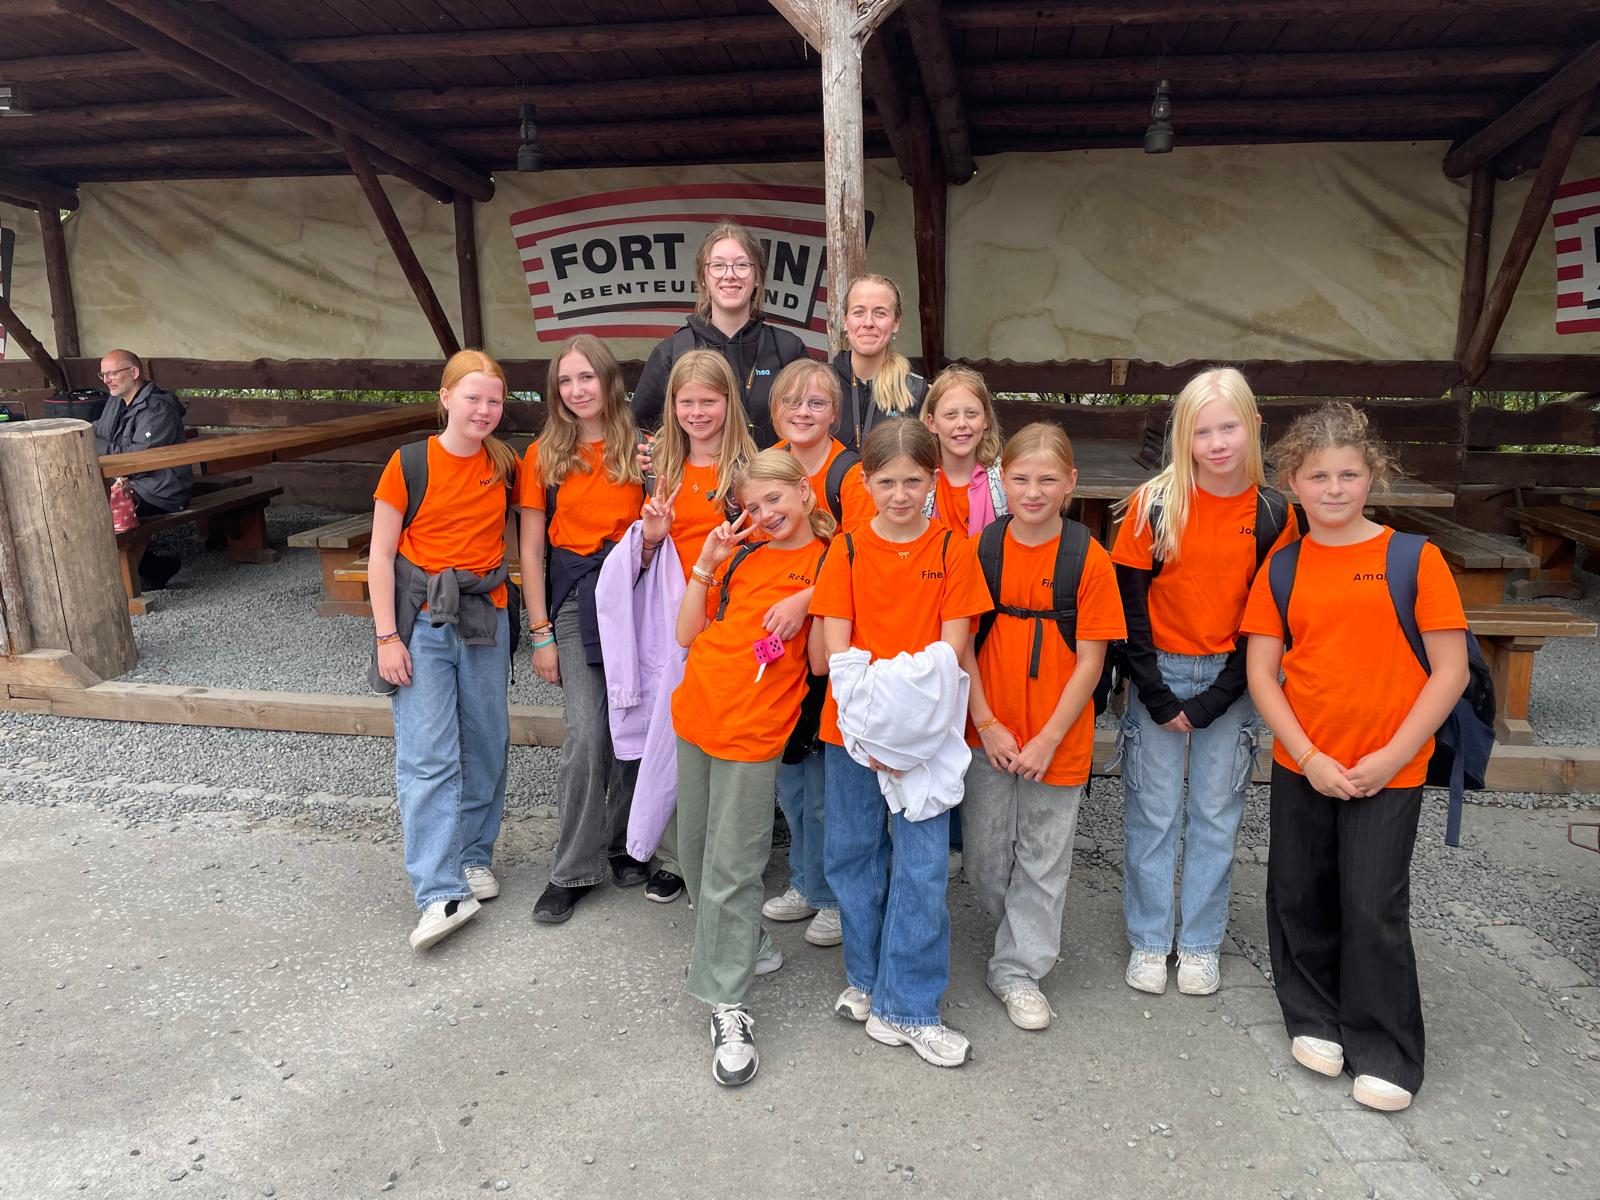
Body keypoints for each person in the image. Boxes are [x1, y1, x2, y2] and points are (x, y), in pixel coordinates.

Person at [1243, 402, 1468, 1114]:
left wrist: (1395, 755)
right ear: (1292, 483)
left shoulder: (1414, 560)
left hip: (1390, 767)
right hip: (1305, 762)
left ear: (1373, 477)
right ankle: (1313, 1015)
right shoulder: (1283, 567)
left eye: (1348, 474)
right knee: (1299, 891)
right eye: (1318, 476)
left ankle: (1386, 1046)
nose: (1334, 489)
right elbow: (1261, 673)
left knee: (1373, 903)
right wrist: (1306, 754)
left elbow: (1451, 671)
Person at [1111, 367, 1297, 998]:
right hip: (1158, 671)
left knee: (1216, 813)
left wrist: (1222, 693)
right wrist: (1154, 691)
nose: (1217, 444)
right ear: (1183, 436)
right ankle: (1149, 938)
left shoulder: (1273, 513)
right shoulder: (1154, 503)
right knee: (1154, 812)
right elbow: (1130, 606)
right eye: (1203, 431)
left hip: (1232, 676)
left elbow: (1268, 613)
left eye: (1229, 428)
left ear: (1254, 428)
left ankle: (1199, 942)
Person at [810, 419, 991, 1069]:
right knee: (852, 855)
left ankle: (909, 1007)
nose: (900, 494)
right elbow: (837, 654)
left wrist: (906, 734)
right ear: (865, 482)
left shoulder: (953, 551)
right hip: (853, 734)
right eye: (886, 482)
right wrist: (874, 733)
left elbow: (952, 653)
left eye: (913, 481)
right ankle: (867, 978)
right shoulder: (847, 550)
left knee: (921, 867)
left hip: (925, 738)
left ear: (933, 480)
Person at [673, 450, 834, 1085]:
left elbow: (821, 661)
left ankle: (728, 1001)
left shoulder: (833, 558)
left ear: (806, 492)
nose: (764, 514)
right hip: (698, 711)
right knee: (693, 855)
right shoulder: (741, 554)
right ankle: (750, 945)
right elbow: (687, 633)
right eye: (752, 505)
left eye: (776, 499)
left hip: (755, 728)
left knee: (733, 868)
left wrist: (810, 599)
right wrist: (706, 564)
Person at [959, 424, 1125, 1031]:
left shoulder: (1089, 558)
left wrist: (1049, 738)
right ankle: (1016, 928)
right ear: (1002, 480)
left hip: (1059, 737)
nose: (1034, 491)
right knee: (982, 854)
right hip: (990, 731)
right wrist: (987, 723)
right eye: (1021, 478)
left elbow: (1091, 662)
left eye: (1048, 479)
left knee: (1044, 857)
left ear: (1070, 483)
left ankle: (1019, 968)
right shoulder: (982, 550)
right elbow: (962, 645)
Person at [370, 350, 520, 951]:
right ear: (446, 397)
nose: (483, 410)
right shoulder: (409, 463)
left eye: (494, 400)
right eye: (473, 397)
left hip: (486, 614)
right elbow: (381, 555)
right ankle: (438, 891)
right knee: (428, 754)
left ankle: (474, 854)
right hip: (423, 620)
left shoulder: (504, 464)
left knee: (486, 740)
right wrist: (387, 636)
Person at [518, 335, 649, 924]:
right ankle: (571, 868)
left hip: (633, 594)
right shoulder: (543, 456)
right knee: (587, 733)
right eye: (566, 381)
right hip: (574, 597)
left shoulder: (642, 449)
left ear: (608, 381)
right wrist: (540, 631)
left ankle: (624, 842)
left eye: (586, 377)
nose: (576, 390)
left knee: (632, 723)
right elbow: (530, 550)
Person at [635, 349, 760, 903]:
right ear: (672, 404)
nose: (697, 412)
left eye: (709, 400)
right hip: (670, 613)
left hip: (726, 617)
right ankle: (672, 854)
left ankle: (718, 854)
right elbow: (640, 547)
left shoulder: (747, 468)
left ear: (729, 402)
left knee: (716, 738)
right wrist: (652, 535)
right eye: (686, 402)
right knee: (669, 732)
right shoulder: (660, 464)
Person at [759, 359, 875, 950]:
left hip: (830, 638)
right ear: (774, 408)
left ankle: (833, 896)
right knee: (792, 778)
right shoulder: (767, 461)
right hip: (776, 641)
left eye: (816, 403)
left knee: (829, 782)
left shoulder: (849, 474)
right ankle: (805, 881)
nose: (802, 413)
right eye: (791, 402)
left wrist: (807, 597)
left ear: (835, 413)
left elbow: (861, 552)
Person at [631, 222, 809, 448]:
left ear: (757, 277)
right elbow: (639, 430)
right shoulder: (672, 352)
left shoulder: (788, 349)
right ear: (703, 278)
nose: (730, 275)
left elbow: (813, 420)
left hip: (772, 471)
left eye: (742, 265)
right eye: (718, 265)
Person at [91, 349, 193, 589]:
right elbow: (98, 432)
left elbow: (136, 460)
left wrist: (92, 443)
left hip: (162, 489)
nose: (106, 380)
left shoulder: (158, 409)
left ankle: (126, 580)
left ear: (134, 373)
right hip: (128, 482)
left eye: (112, 373)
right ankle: (153, 568)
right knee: (78, 501)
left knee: (98, 509)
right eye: (103, 375)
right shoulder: (116, 400)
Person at [832, 274, 927, 452]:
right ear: (845, 321)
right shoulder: (822, 384)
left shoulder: (915, 391)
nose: (868, 323)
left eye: (880, 313)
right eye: (858, 312)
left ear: (896, 323)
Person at [920, 365, 1006, 538]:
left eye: (971, 413)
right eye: (950, 414)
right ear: (932, 423)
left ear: (986, 420)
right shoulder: (917, 481)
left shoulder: (1004, 482)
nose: (961, 424)